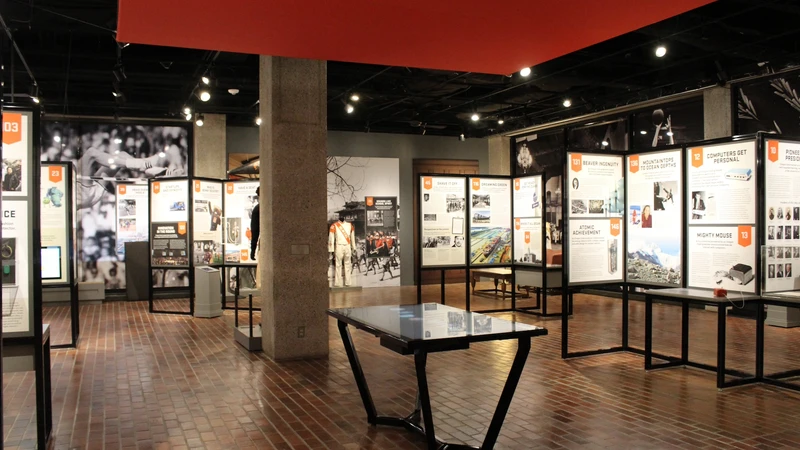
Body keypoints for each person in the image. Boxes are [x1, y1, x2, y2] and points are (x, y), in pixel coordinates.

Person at [250, 187, 260, 261]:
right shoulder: (257, 209)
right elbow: (255, 230)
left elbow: (255, 230)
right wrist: (253, 250)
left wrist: (253, 250)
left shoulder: (257, 208)